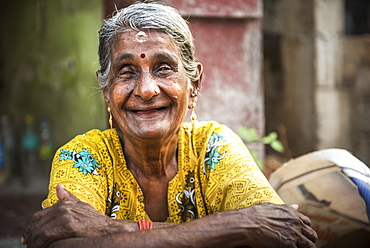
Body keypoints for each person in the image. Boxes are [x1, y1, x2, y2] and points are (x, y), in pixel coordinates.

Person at [22, 2, 317, 248]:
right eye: (126, 72)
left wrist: (107, 231)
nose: (147, 89)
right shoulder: (82, 157)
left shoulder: (213, 146)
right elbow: (64, 244)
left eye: (164, 68)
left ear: (195, 84)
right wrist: (238, 225)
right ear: (106, 92)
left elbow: (275, 232)